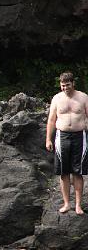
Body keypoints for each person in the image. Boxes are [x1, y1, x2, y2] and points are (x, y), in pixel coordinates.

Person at [46, 71, 88, 214]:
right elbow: (51, 120)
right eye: (63, 85)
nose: (65, 88)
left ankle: (78, 205)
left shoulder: (83, 97)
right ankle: (66, 204)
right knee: (63, 172)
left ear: (73, 83)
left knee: (78, 172)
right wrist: (48, 139)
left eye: (67, 85)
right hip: (61, 137)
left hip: (79, 137)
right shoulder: (57, 98)